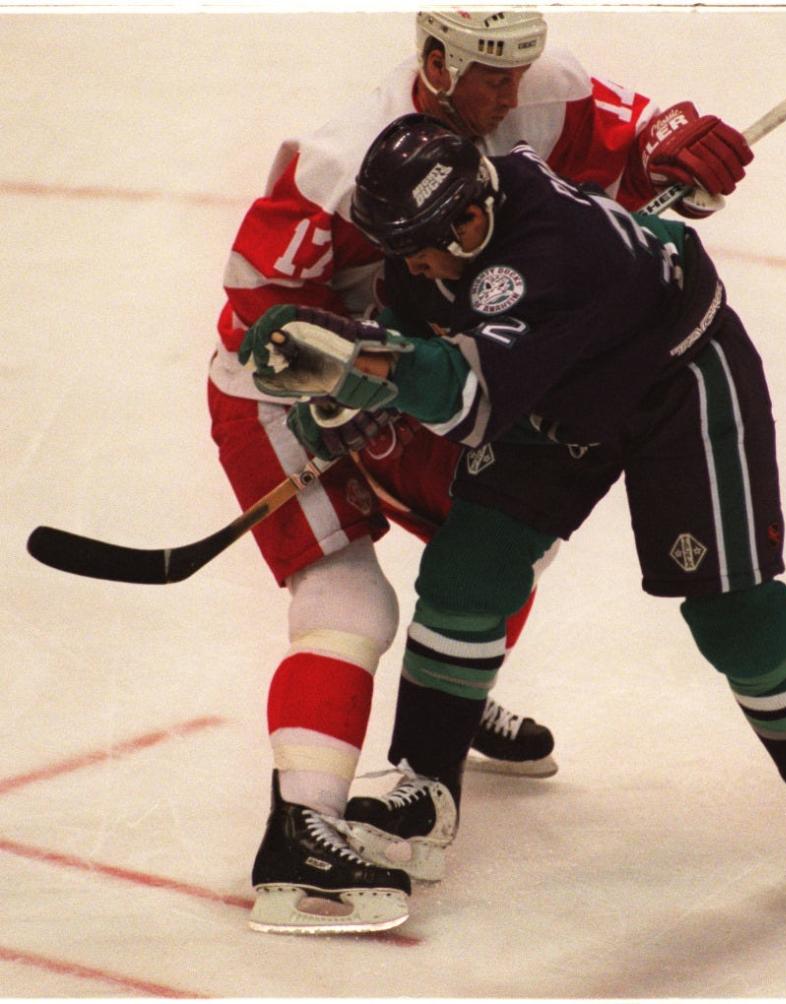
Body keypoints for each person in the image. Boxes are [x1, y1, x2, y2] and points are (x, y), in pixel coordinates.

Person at [241, 113, 786, 896]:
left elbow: (472, 399)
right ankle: (427, 788)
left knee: (735, 614)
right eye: (415, 247)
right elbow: (414, 332)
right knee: (466, 575)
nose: (434, 259)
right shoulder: (431, 244)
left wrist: (368, 371)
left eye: (452, 233)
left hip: (676, 383)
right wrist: (352, 395)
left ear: (481, 201)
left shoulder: (558, 251)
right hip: (554, 398)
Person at [215, 10, 754, 933]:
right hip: (291, 394)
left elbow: (638, 165)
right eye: (489, 78)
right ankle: (300, 830)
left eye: (520, 74)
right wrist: (328, 384)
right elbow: (257, 314)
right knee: (352, 599)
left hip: (421, 368)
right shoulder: (341, 162)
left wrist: (680, 157)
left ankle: (455, 706)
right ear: (433, 61)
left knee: (501, 527)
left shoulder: (545, 91)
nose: (511, 98)